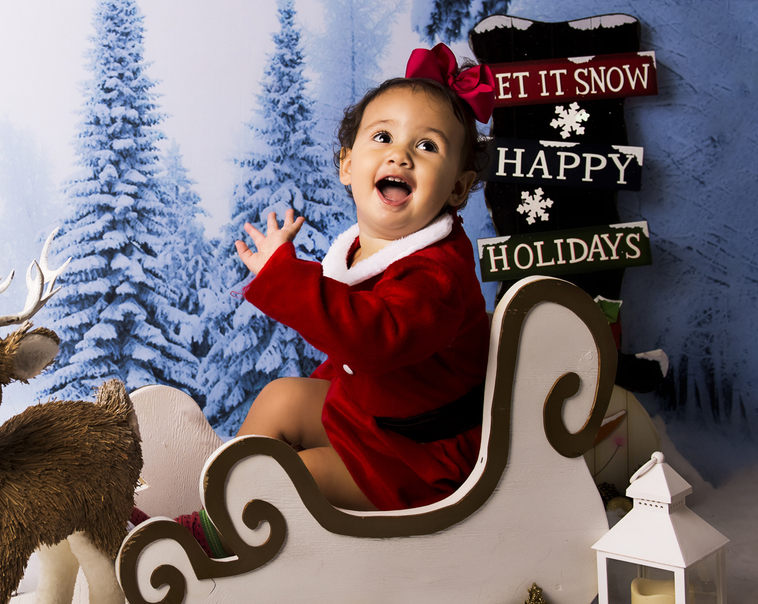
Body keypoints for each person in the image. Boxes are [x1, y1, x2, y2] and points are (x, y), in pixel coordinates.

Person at [142, 44, 497, 556]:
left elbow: (373, 338)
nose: (400, 155)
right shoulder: (363, 246)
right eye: (383, 138)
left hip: (419, 458)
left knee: (298, 476)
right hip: (377, 420)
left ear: (459, 189)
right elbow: (350, 356)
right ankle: (219, 509)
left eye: (427, 147)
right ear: (348, 166)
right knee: (282, 397)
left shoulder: (439, 276)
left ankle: (219, 544)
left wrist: (286, 278)